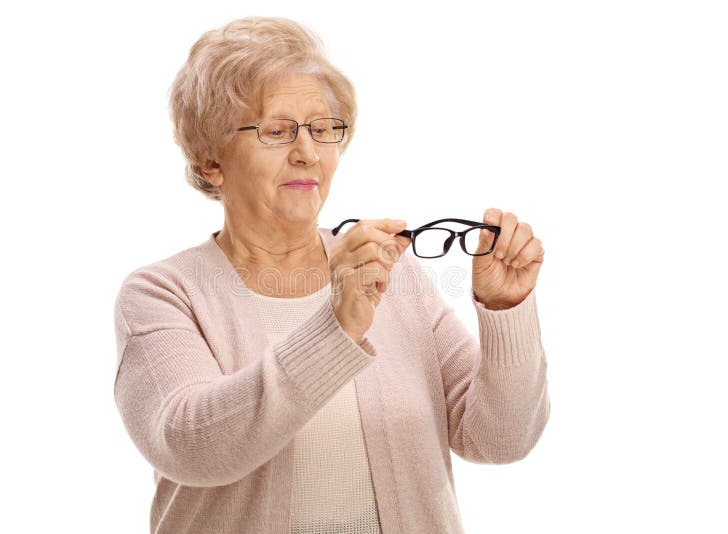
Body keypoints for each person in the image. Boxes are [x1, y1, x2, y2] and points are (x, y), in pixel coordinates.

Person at [112, 16, 550, 534]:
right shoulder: (163, 293)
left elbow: (499, 438)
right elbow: (193, 445)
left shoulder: (393, 273)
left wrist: (505, 311)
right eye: (277, 131)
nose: (308, 153)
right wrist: (336, 328)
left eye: (323, 130)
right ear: (211, 162)